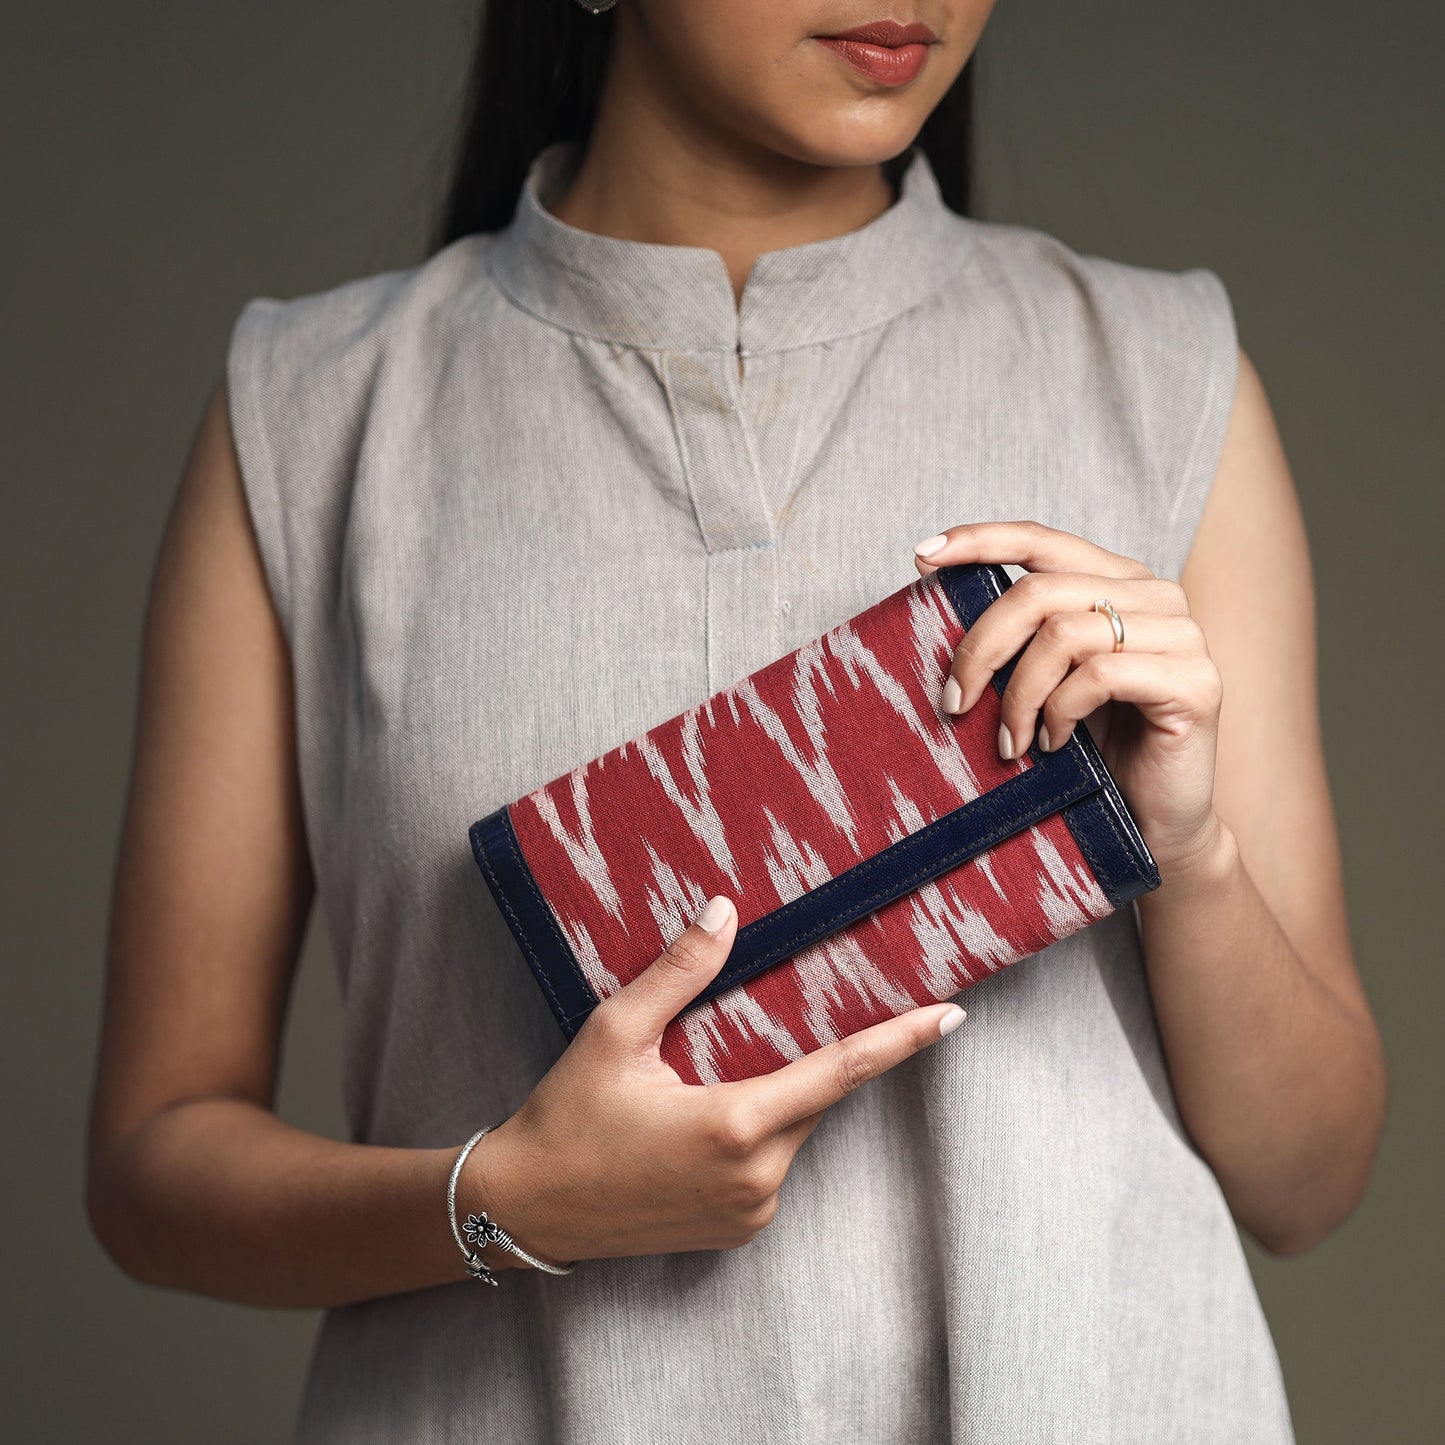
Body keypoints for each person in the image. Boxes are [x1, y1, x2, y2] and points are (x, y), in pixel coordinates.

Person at [84, 1, 1388, 1440]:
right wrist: (506, 1199)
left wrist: (1187, 846)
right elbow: (153, 1169)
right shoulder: (312, 414)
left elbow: (1306, 1180)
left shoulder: (1160, 369)